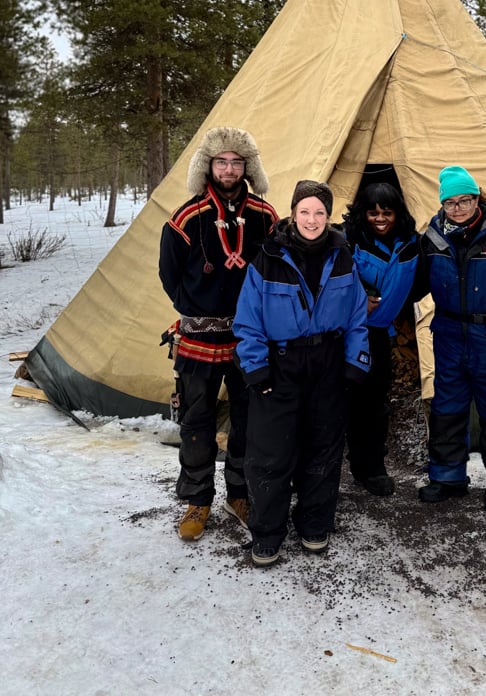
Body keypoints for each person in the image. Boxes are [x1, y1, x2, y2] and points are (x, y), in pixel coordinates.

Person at [233, 180, 370, 567]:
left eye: (320, 212)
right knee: (271, 452)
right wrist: (255, 367)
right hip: (280, 363)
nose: (312, 220)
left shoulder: (343, 257)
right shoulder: (268, 258)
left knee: (323, 449)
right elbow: (248, 320)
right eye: (305, 211)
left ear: (329, 216)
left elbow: (358, 316)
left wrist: (355, 361)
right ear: (292, 213)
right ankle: (267, 533)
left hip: (327, 361)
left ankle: (314, 523)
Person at [159, 126, 278, 542]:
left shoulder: (265, 216)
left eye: (237, 162)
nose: (229, 169)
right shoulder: (187, 216)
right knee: (196, 422)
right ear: (209, 166)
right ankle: (198, 499)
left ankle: (239, 494)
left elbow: (276, 269)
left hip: (249, 338)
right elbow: (169, 275)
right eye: (221, 162)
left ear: (248, 167)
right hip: (198, 338)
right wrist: (195, 306)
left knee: (249, 420)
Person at [417, 165, 486, 514]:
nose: (458, 208)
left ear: (478, 197)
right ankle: (448, 476)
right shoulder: (432, 238)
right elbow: (414, 283)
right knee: (447, 409)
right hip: (448, 334)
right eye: (450, 202)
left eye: (466, 199)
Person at [342, 182, 420, 496]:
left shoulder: (412, 244)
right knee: (345, 402)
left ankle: (371, 468)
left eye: (386, 212)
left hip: (381, 334)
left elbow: (422, 283)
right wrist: (358, 296)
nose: (380, 218)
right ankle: (328, 469)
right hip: (348, 332)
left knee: (375, 404)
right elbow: (327, 279)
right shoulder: (347, 240)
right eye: (373, 212)